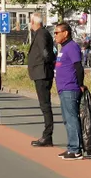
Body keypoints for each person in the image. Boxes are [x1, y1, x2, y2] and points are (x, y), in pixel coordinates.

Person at [54, 23, 84, 160]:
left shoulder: (72, 47)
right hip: (63, 87)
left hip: (70, 87)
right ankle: (71, 146)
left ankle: (76, 149)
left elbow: (78, 67)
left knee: (72, 118)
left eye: (57, 33)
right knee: (67, 119)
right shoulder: (63, 48)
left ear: (65, 33)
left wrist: (80, 84)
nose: (55, 35)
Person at [28, 13, 56, 147]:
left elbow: (45, 53)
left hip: (42, 73)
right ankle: (47, 134)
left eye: (30, 21)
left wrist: (46, 64)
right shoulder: (40, 33)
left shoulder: (41, 34)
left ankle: (47, 135)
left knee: (45, 105)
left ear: (33, 22)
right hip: (40, 72)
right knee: (44, 105)